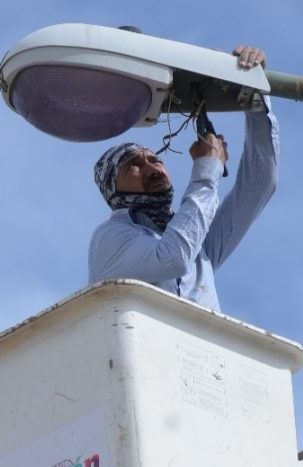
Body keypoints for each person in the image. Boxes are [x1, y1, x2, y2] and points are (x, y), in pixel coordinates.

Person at [88, 46, 277, 312]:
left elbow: (259, 183)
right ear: (113, 188)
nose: (151, 168)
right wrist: (207, 168)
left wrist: (255, 94)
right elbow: (172, 258)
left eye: (155, 160)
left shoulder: (197, 242)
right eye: (134, 165)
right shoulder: (109, 238)